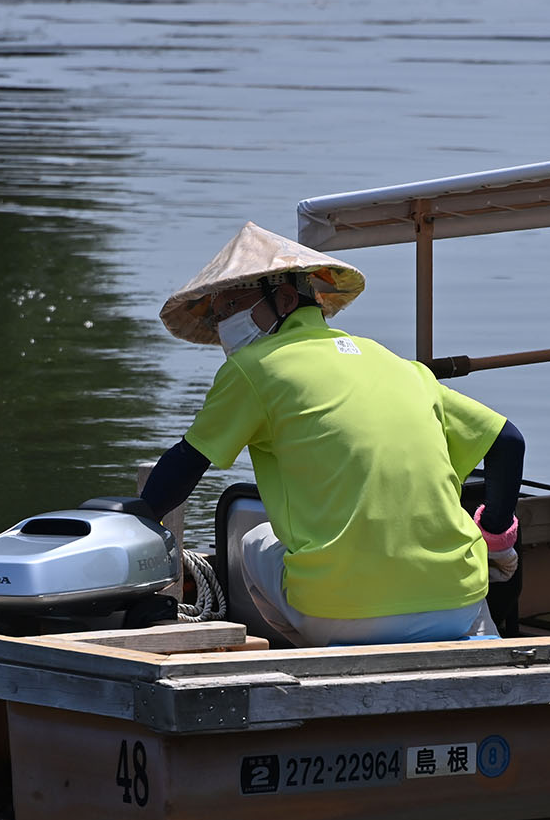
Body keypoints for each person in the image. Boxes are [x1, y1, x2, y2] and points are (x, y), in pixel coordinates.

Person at [140, 221, 525, 646]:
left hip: (341, 615)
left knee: (251, 538)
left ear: (285, 299)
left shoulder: (252, 369)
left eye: (230, 305)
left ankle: (315, 650)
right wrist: (495, 538)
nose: (222, 321)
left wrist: (135, 521)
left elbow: (185, 464)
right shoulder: (394, 362)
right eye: (217, 312)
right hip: (457, 605)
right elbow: (507, 441)